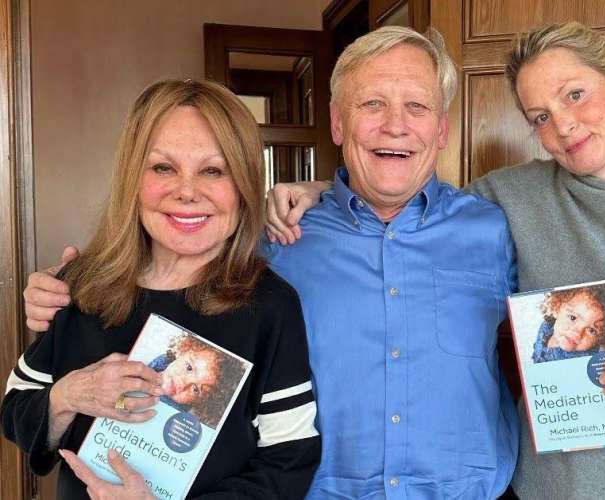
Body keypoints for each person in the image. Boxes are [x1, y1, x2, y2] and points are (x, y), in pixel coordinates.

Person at [263, 21, 605, 499]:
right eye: (540, 115)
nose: (563, 125)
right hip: (546, 490)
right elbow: (402, 203)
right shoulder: (509, 202)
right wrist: (322, 194)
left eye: (575, 94)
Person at [20, 28, 519, 499]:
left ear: (442, 129)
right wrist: (68, 291)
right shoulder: (271, 238)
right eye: (372, 104)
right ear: (338, 123)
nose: (396, 124)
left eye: (417, 105)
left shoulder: (496, 230)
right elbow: (171, 248)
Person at [3, 79, 320, 499]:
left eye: (213, 170)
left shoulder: (271, 306)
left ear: (243, 184)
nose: (187, 191)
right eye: (163, 168)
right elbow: (16, 408)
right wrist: (69, 395)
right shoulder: (77, 286)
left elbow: (289, 462)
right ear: (132, 179)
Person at [149, 333, 246, 428]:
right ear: (182, 350)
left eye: (195, 389)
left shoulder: (171, 420)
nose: (183, 383)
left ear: (199, 404)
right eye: (189, 368)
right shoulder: (159, 361)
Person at [532, 283, 605, 364]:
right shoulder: (547, 326)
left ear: (602, 338)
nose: (577, 333)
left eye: (591, 330)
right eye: (572, 318)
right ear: (557, 308)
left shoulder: (581, 364)